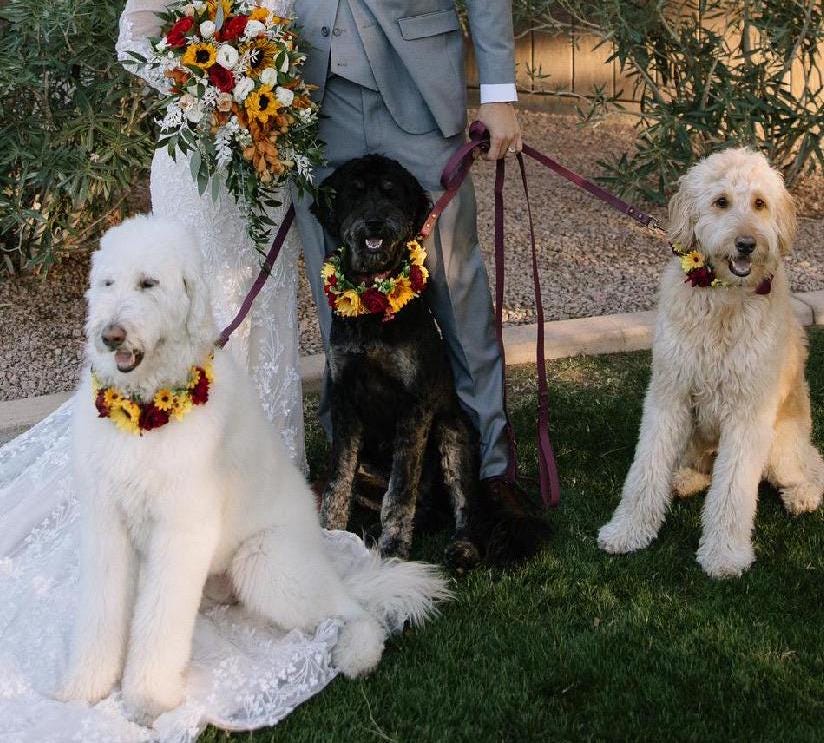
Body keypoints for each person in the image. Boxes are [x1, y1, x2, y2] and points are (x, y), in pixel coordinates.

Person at [292, 0, 527, 505]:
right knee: (336, 293)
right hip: (310, 98)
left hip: (419, 96)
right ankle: (351, 472)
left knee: (456, 292)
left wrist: (498, 92)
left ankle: (490, 468)